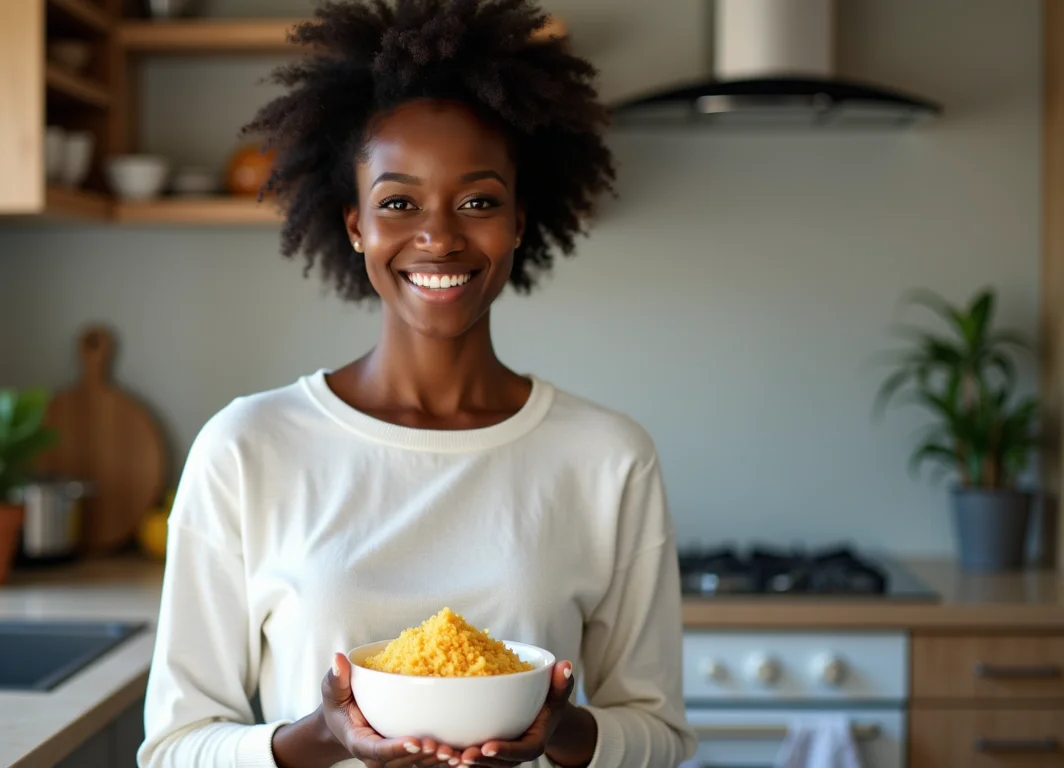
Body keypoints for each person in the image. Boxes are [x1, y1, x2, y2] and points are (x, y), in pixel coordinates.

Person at [137, 1, 697, 766]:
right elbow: (172, 749)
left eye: (479, 201)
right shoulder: (247, 448)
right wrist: (323, 736)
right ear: (355, 224)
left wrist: (559, 729)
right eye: (399, 203)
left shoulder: (608, 456)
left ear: (519, 221)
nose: (439, 236)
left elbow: (661, 735)